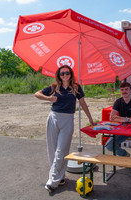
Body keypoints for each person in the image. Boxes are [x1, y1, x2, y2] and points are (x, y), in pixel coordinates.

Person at [35, 65, 94, 193]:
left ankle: (53, 181)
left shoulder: (76, 87)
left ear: (70, 74)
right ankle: (60, 177)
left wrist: (89, 118)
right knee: (53, 149)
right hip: (53, 117)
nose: (65, 75)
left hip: (67, 120)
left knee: (61, 151)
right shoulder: (54, 87)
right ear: (59, 75)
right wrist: (49, 98)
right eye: (62, 73)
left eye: (67, 73)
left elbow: (82, 103)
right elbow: (37, 94)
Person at [106, 82, 131, 177]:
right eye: (122, 90)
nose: (124, 92)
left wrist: (122, 118)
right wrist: (128, 119)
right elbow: (111, 117)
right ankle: (125, 155)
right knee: (108, 145)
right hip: (123, 129)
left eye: (126, 89)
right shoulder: (118, 102)